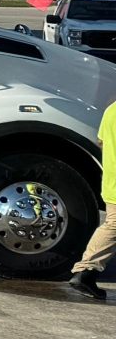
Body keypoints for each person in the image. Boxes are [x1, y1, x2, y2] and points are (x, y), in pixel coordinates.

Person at [63, 94, 116, 301]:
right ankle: (85, 272)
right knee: (113, 226)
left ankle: (85, 273)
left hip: (111, 179)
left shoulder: (111, 109)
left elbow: (101, 142)